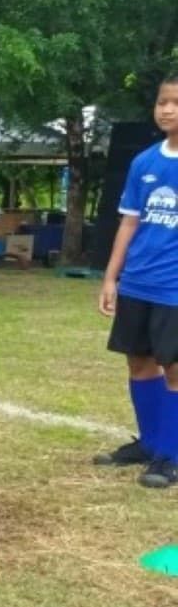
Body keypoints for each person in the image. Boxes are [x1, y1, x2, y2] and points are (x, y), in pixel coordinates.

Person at [94, 74, 178, 487]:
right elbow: (129, 224)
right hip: (138, 283)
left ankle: (171, 456)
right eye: (162, 101)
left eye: (175, 103)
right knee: (140, 363)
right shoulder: (144, 161)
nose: (166, 109)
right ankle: (150, 443)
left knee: (174, 368)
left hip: (174, 289)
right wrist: (112, 278)